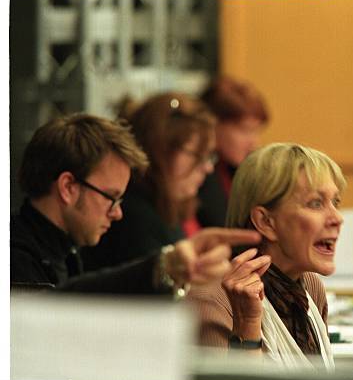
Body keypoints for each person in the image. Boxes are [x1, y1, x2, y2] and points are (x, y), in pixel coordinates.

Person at [11, 113, 260, 294]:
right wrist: (165, 266)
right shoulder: (15, 257)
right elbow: (51, 312)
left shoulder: (66, 250)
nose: (118, 212)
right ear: (67, 187)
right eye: (110, 197)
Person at [192, 143, 346, 370]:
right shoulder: (213, 300)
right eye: (316, 203)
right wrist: (247, 325)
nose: (337, 218)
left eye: (335, 202)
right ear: (265, 222)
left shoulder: (311, 287)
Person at [81, 93, 217, 270]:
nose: (208, 167)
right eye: (198, 155)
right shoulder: (132, 218)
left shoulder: (164, 206)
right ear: (159, 151)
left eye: (210, 156)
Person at [193, 76, 269, 232]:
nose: (253, 142)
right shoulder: (195, 176)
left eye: (256, 131)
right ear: (212, 124)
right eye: (245, 130)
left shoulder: (240, 170)